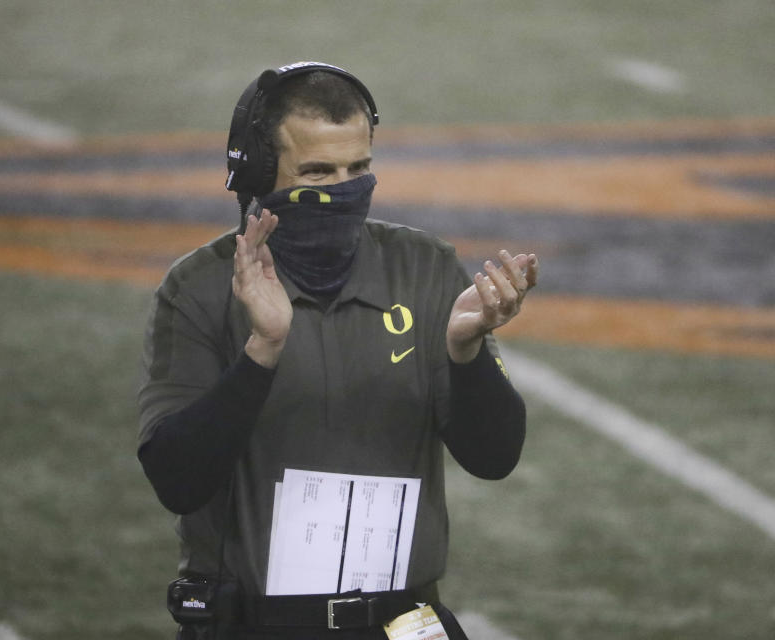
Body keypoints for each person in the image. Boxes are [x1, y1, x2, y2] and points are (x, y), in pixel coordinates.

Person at [137, 62, 539, 640]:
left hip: (403, 624)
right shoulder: (200, 288)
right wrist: (261, 350)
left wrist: (465, 353)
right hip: (254, 626)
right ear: (257, 171)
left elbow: (495, 457)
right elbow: (178, 481)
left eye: (359, 168)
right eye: (318, 172)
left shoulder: (425, 270)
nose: (343, 190)